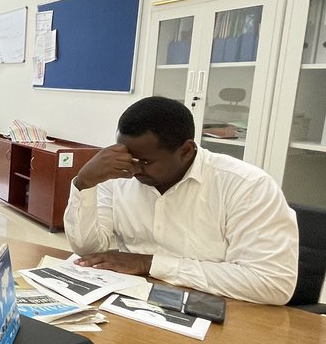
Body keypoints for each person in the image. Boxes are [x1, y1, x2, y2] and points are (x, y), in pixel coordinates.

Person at [63, 95, 297, 305]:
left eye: (144, 161)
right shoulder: (118, 174)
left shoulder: (246, 186)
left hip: (218, 313)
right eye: (127, 158)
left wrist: (148, 263)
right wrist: (84, 184)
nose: (132, 171)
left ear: (186, 150)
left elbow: (272, 283)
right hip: (131, 302)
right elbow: (89, 249)